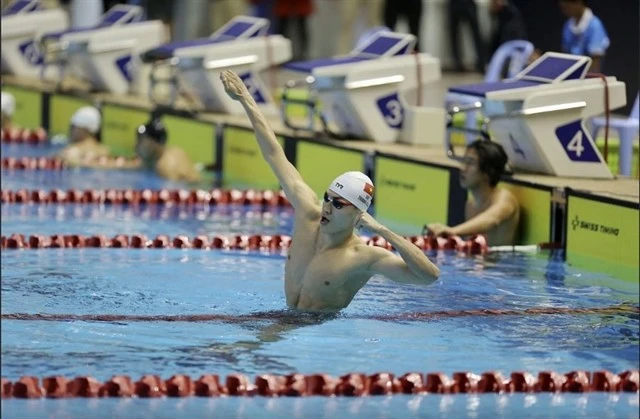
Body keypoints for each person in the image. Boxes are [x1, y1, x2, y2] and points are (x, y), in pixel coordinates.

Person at [220, 70, 440, 312]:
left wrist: (383, 231)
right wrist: (245, 98)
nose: (327, 207)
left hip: (317, 332)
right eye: (328, 198)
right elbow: (274, 154)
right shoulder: (307, 213)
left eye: (338, 204)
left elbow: (428, 277)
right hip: (285, 319)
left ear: (358, 215)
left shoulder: (362, 257)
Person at [426, 140, 520, 246]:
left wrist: (453, 231)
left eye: (470, 163)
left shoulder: (504, 198)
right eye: (464, 161)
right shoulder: (470, 204)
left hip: (501, 262)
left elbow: (492, 219)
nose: (462, 168)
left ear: (488, 171)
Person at [133, 116, 201, 182]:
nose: (136, 144)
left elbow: (174, 191)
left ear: (155, 143)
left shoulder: (166, 167)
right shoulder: (171, 151)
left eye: (141, 140)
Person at [559, 0, 609, 73]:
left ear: (578, 3)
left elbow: (596, 63)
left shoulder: (595, 26)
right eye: (563, 8)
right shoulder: (568, 25)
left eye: (567, 7)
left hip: (587, 77)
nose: (565, 11)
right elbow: (565, 55)